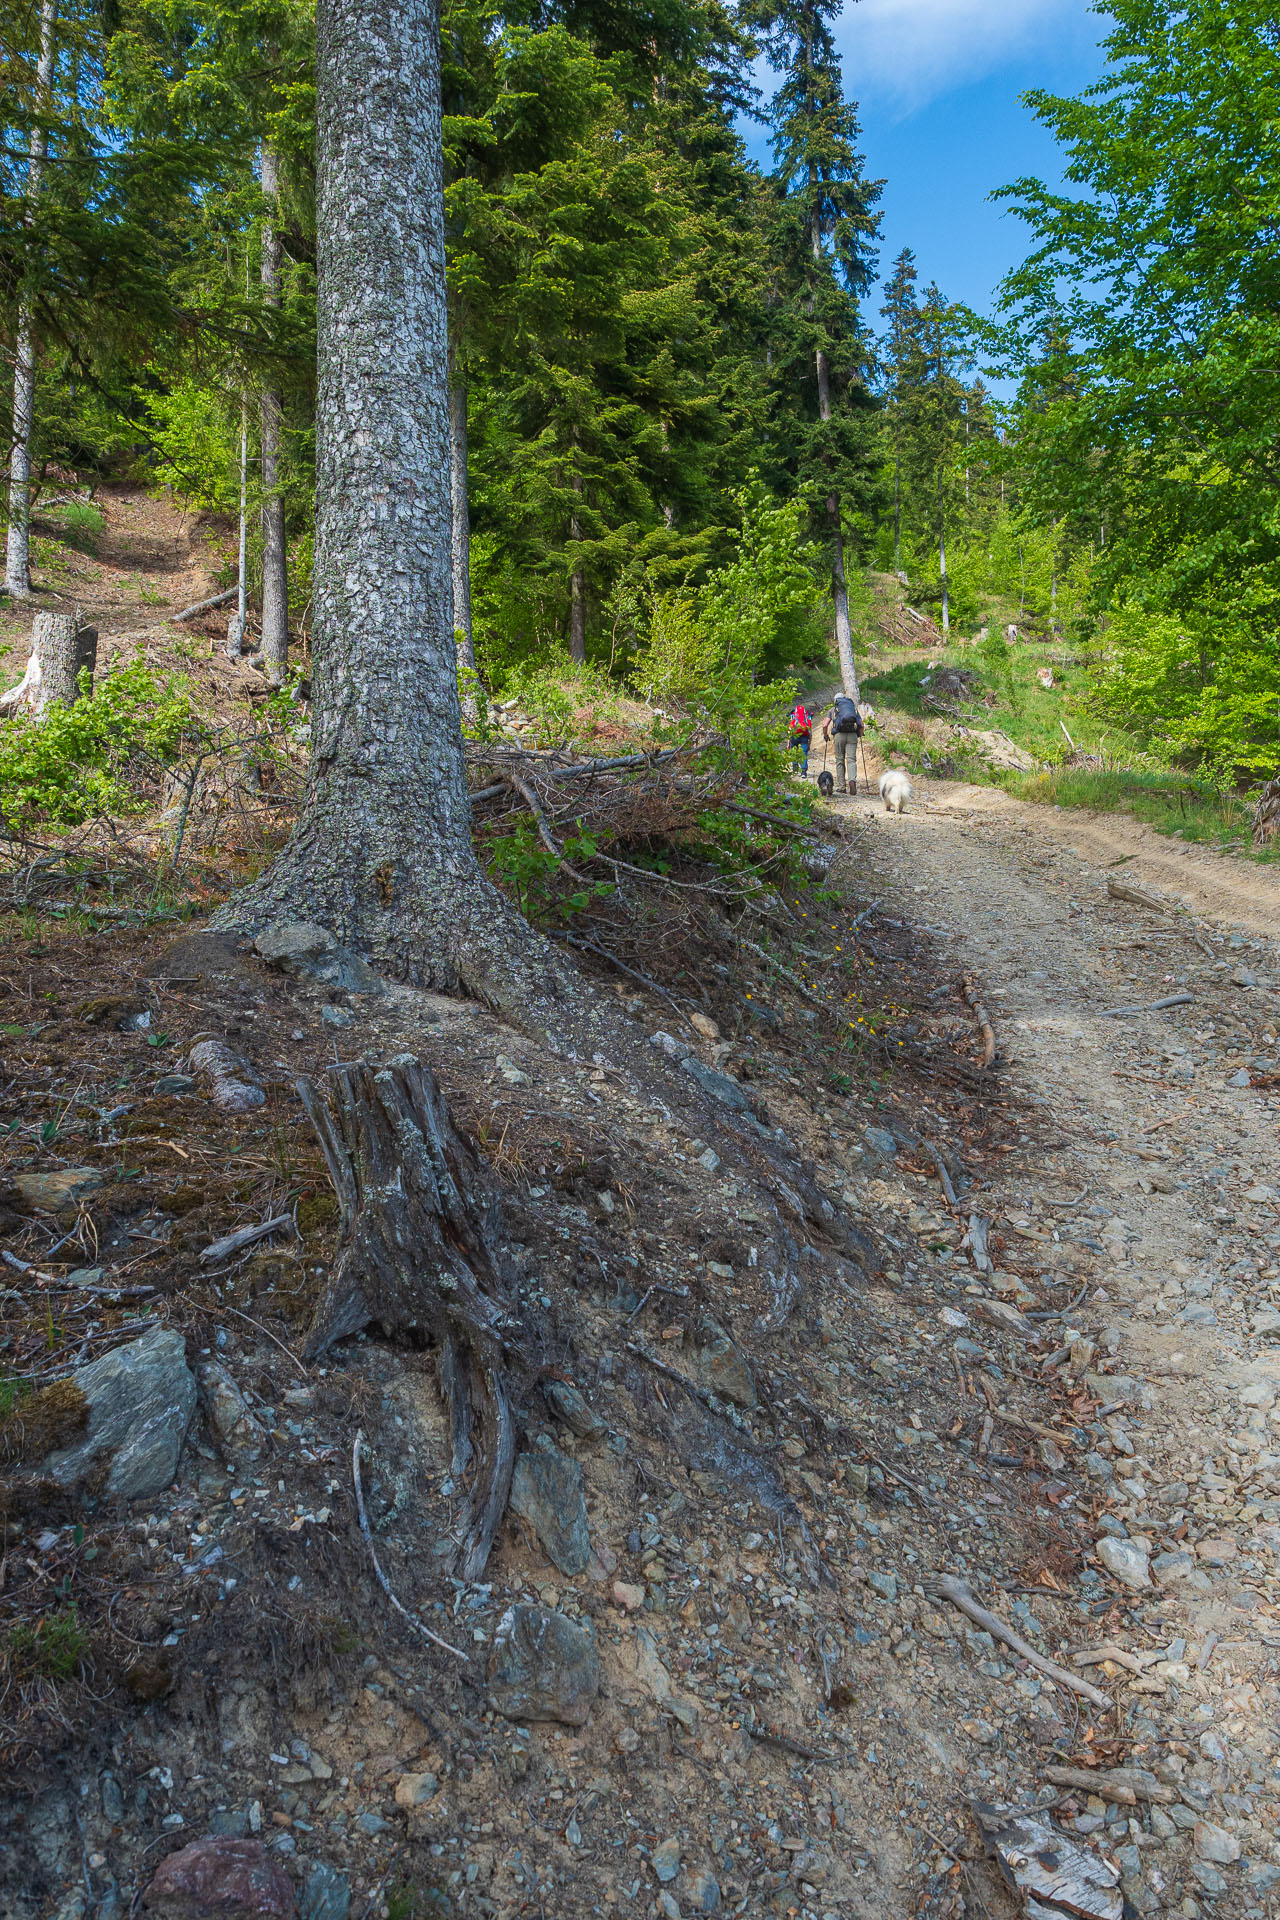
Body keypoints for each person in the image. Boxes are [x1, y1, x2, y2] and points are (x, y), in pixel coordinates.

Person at [820, 693, 864, 794]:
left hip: (839, 735)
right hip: (852, 735)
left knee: (840, 760)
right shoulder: (853, 709)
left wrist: (825, 735)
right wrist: (859, 735)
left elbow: (824, 725)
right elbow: (861, 724)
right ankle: (852, 781)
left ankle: (842, 786)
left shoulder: (833, 710)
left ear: (836, 700)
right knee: (851, 760)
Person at [788, 698, 812, 777]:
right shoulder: (807, 719)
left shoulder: (794, 718)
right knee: (803, 754)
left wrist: (788, 742)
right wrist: (809, 744)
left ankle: (795, 770)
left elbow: (790, 731)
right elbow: (810, 732)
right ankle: (803, 772)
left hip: (794, 737)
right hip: (804, 737)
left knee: (794, 752)